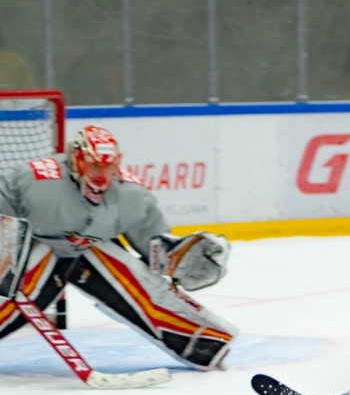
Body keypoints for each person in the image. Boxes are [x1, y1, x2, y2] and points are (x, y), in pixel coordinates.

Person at [0, 125, 237, 370]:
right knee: (21, 285)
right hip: (35, 248)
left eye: (109, 167)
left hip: (86, 252)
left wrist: (180, 259)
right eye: (94, 165)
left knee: (136, 277)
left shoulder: (130, 195)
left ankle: (201, 342)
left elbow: (155, 246)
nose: (102, 175)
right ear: (77, 160)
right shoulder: (37, 180)